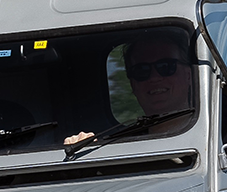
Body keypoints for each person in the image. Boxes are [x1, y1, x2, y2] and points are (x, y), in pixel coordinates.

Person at [63, 32, 195, 147]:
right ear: (132, 84)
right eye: (142, 71)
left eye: (166, 67)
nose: (154, 77)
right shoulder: (120, 147)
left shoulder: (211, 135)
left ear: (189, 75)